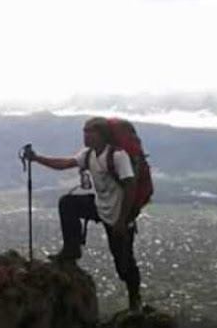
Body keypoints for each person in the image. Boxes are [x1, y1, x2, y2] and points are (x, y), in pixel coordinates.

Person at [25, 116, 142, 312]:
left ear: (102, 135)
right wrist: (37, 159)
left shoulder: (118, 156)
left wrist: (122, 220)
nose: (86, 136)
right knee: (68, 203)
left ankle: (134, 296)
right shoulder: (89, 155)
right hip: (100, 206)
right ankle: (72, 249)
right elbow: (64, 164)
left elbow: (130, 186)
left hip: (119, 215)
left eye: (90, 132)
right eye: (84, 132)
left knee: (124, 265)